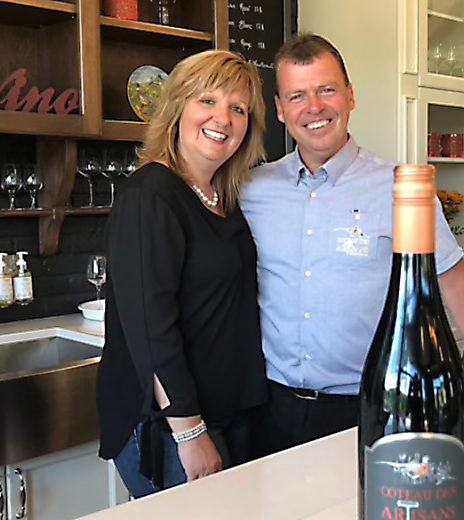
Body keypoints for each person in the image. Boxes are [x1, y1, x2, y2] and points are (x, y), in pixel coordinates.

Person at [239, 33, 464, 456]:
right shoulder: (251, 189)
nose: (314, 107)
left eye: (326, 90)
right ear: (279, 109)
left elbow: (459, 288)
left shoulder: (401, 189)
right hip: (268, 409)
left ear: (350, 96)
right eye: (297, 96)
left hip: (368, 407)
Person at [97, 49, 268, 498]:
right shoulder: (150, 195)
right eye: (207, 101)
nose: (223, 118)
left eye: (238, 109)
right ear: (177, 108)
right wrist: (189, 432)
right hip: (170, 427)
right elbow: (150, 327)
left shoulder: (221, 197)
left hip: (226, 412)